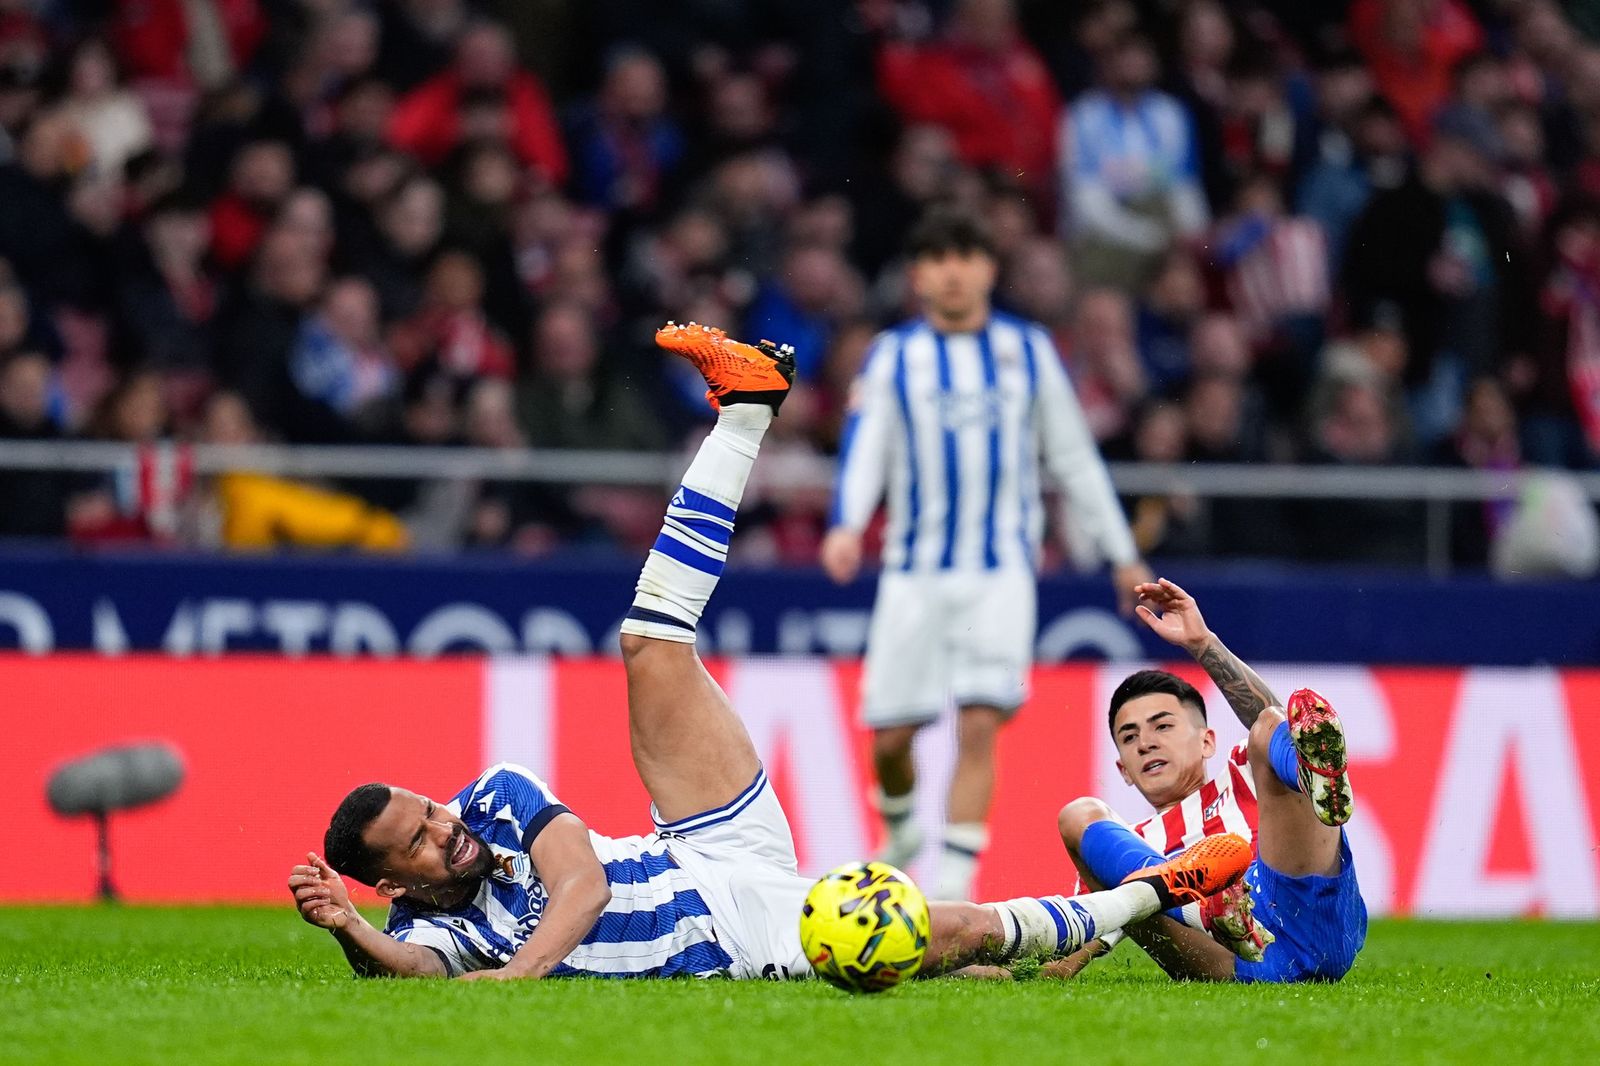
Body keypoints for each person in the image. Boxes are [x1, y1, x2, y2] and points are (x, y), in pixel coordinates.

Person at [287, 322, 1251, 980]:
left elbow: (578, 885)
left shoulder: (493, 796)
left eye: (426, 806)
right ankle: (1148, 895)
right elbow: (411, 965)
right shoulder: (428, 929)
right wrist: (353, 932)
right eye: (416, 838)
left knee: (649, 646)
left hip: (699, 842)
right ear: (394, 883)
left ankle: (745, 407)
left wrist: (515, 981)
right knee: (941, 935)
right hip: (731, 929)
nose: (442, 824)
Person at [821, 211, 1151, 901]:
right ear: (917, 275)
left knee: (979, 721)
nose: (952, 270)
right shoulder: (892, 355)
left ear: (988, 269)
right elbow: (868, 444)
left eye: (966, 255)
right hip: (913, 573)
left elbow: (1072, 455)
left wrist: (1122, 553)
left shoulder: (1028, 352)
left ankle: (954, 886)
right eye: (937, 257)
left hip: (1001, 572)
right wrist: (847, 524)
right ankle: (903, 828)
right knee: (890, 739)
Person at [1053, 577, 1367, 983]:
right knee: (1081, 815)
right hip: (1227, 960)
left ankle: (1313, 775)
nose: (1146, 743)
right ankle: (1211, 909)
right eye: (1129, 737)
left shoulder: (1243, 770)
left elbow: (1279, 724)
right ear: (1123, 770)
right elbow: (1078, 944)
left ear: (1207, 741)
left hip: (1306, 913)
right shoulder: (1128, 843)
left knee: (1270, 723)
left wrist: (1201, 643)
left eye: (1162, 726)